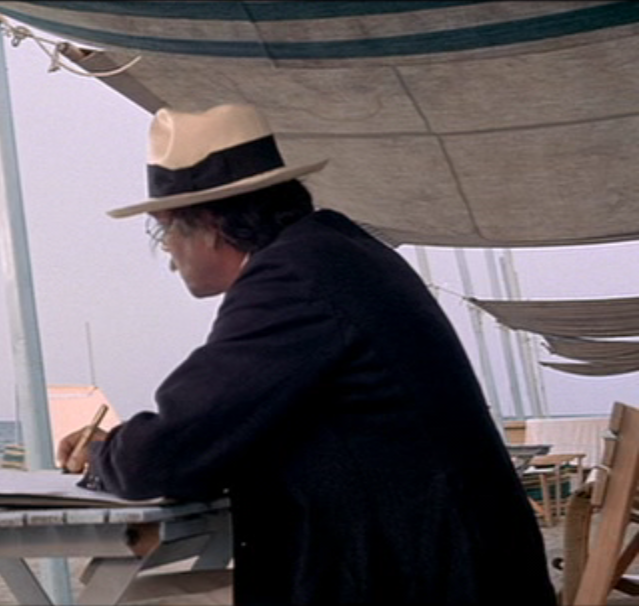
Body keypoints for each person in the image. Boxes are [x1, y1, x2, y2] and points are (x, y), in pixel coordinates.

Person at [57, 104, 556, 604]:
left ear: (208, 223)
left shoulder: (290, 280)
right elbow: (219, 428)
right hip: (459, 566)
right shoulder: (339, 252)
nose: (167, 249)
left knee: (135, 599)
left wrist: (103, 451)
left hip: (425, 581)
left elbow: (161, 456)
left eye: (163, 229)